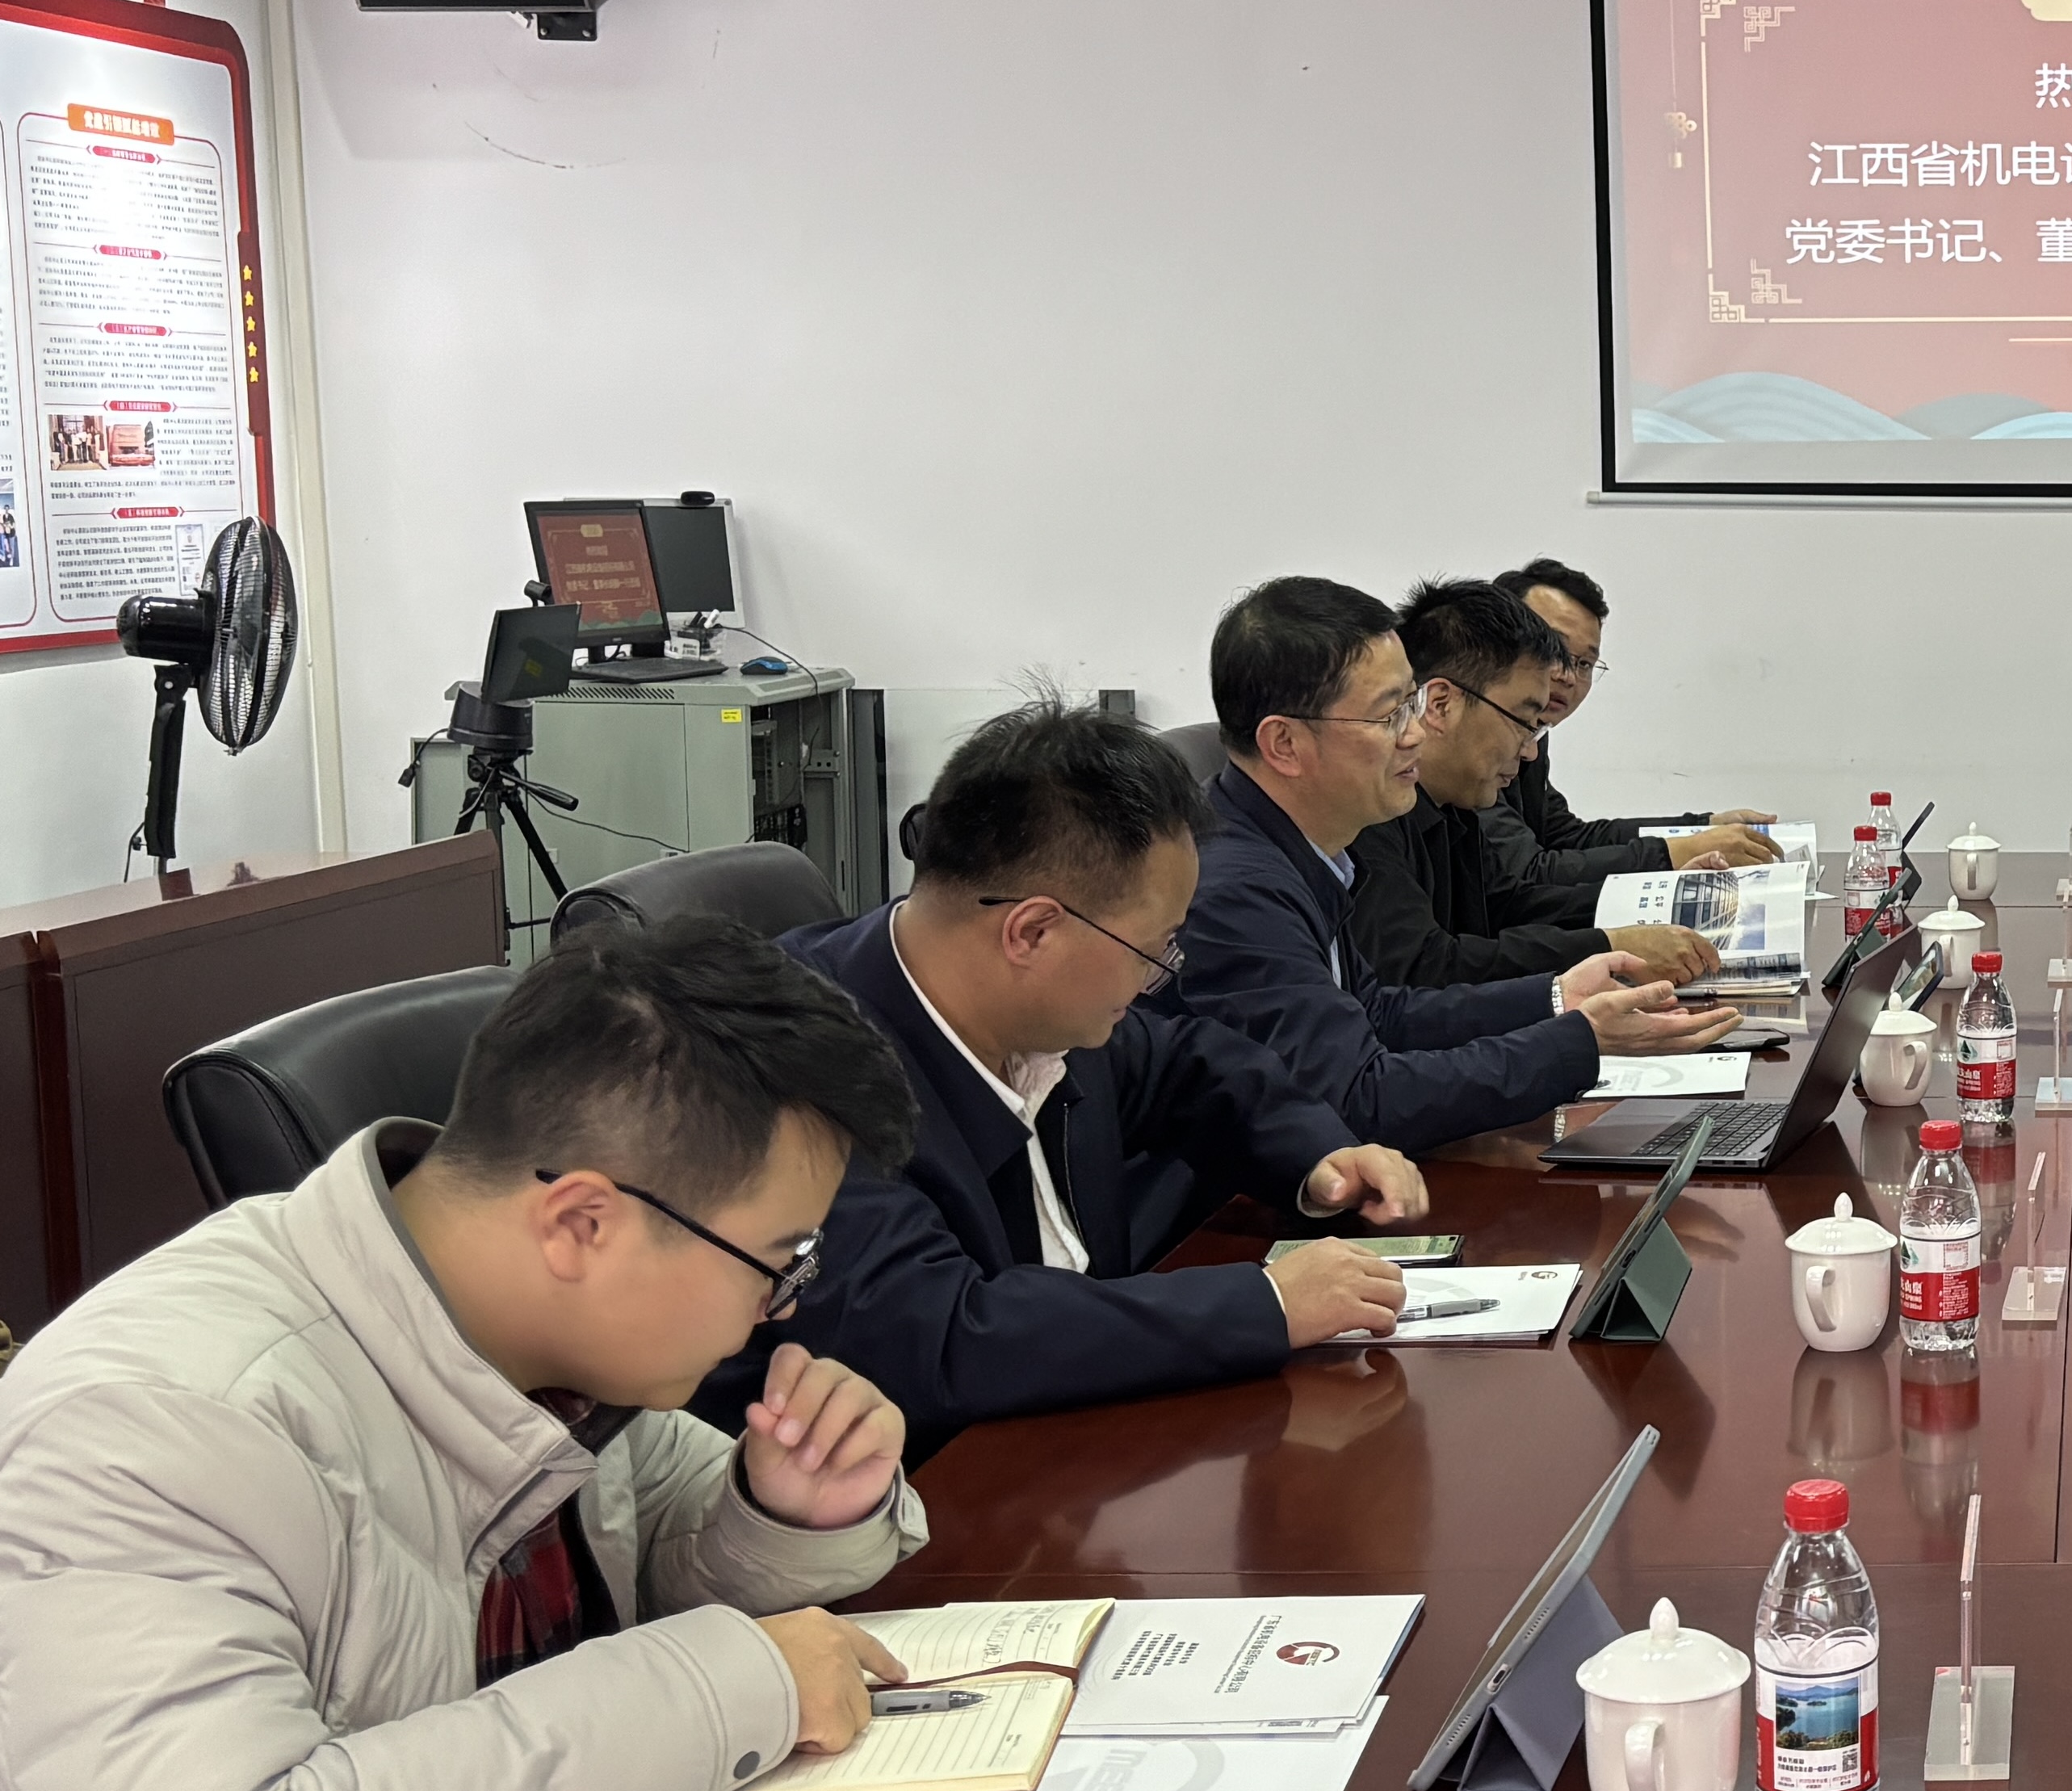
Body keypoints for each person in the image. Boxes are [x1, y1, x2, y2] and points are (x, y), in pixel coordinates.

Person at [0, 920, 930, 1791]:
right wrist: (724, 1691)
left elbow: (662, 1554)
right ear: (584, 1223)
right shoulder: (155, 1429)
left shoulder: (523, 1335)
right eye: (777, 1261)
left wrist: (786, 1513)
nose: (780, 1307)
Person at [696, 697, 1445, 1458]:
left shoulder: (1028, 1002)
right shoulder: (789, 1067)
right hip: (906, 1489)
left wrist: (1318, 1157)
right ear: (1032, 931)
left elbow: (1185, 1064)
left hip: (1069, 1448)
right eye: (1154, 951)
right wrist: (1268, 1302)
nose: (1159, 977)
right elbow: (941, 1334)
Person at [1166, 577, 1729, 1151]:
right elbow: (1359, 1100)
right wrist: (1578, 1041)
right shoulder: (1236, 889)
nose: (1416, 734)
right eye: (1390, 716)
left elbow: (1379, 1012)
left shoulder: (1304, 850)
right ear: (1284, 744)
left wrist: (1559, 997)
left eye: (1410, 705)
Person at [1348, 579, 1725, 992]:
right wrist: (1609, 947)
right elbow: (1424, 969)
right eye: (1523, 722)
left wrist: (1658, 898)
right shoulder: (1369, 813)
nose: (1529, 751)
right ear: (1440, 704)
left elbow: (1510, 903)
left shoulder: (1453, 803)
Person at [1489, 557, 1782, 904]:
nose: (1568, 676)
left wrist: (1702, 826)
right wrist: (1678, 851)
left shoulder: (1533, 736)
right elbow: (1528, 873)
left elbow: (1566, 837)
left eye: (1584, 663)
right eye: (1554, 650)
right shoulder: (1468, 743)